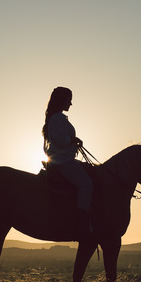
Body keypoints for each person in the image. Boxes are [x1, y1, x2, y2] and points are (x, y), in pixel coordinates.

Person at [43, 86, 94, 235]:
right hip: (62, 161)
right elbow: (60, 141)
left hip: (62, 159)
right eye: (69, 100)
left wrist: (72, 140)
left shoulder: (56, 117)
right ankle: (82, 222)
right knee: (86, 184)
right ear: (62, 100)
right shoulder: (57, 118)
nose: (71, 104)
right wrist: (72, 140)